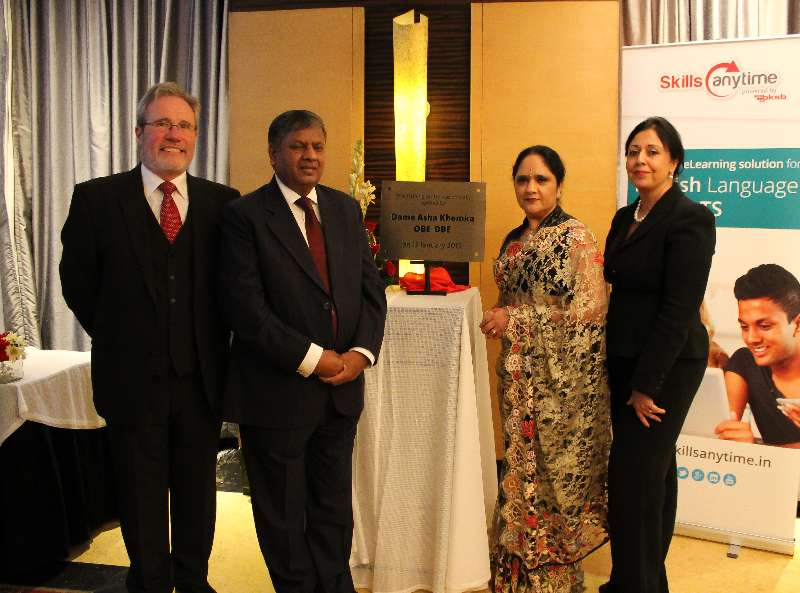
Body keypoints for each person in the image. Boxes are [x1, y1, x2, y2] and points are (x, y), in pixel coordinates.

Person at [60, 82, 240, 593]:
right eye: (161, 123)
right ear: (139, 133)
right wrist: (124, 337)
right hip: (129, 379)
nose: (173, 134)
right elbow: (77, 284)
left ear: (196, 137)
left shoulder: (223, 204)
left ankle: (193, 580)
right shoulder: (95, 199)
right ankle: (148, 582)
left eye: (183, 125)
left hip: (201, 380)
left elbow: (233, 289)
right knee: (139, 494)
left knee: (196, 493)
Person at [220, 110, 387, 593]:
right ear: (273, 154)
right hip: (277, 396)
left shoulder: (344, 209)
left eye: (317, 146)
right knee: (284, 518)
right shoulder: (244, 217)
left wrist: (359, 355)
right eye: (297, 146)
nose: (309, 155)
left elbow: (369, 290)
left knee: (333, 510)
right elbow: (245, 309)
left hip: (340, 394)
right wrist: (314, 358)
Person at [480, 145, 611, 593]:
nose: (530, 188)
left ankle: (552, 579)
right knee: (517, 470)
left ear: (559, 184)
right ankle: (516, 575)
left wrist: (515, 320)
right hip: (517, 379)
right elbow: (512, 301)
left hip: (561, 388)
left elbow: (590, 312)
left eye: (541, 180)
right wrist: (499, 319)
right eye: (522, 179)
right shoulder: (512, 241)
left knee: (551, 477)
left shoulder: (577, 238)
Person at [602, 116, 715, 593]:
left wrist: (647, 385)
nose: (639, 160)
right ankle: (647, 581)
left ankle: (632, 585)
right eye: (633, 151)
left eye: (651, 151)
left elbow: (678, 308)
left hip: (665, 368)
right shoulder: (626, 217)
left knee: (631, 483)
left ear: (674, 161)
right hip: (626, 359)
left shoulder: (690, 218)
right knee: (655, 476)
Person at [714, 264, 800, 446]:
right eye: (744, 327)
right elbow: (719, 435)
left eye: (765, 326)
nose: (751, 338)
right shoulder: (745, 362)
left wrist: (757, 450)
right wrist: (746, 447)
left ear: (798, 324)